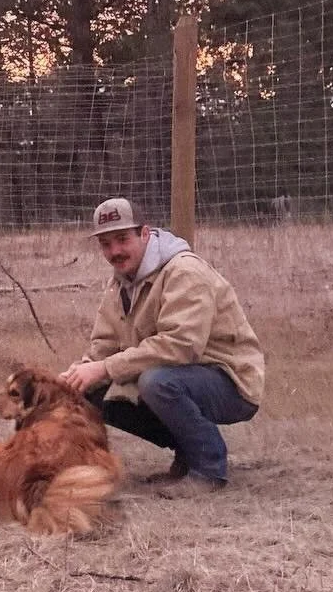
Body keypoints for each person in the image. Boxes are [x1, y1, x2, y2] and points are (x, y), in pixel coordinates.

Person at [58, 196, 264, 491]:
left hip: (230, 380)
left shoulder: (184, 271)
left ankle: (209, 469)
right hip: (182, 376)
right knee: (91, 389)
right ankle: (187, 455)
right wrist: (80, 372)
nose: (114, 251)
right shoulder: (120, 282)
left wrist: (105, 367)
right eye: (105, 244)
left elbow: (180, 345)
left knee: (157, 382)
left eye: (122, 239)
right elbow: (103, 342)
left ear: (145, 233)